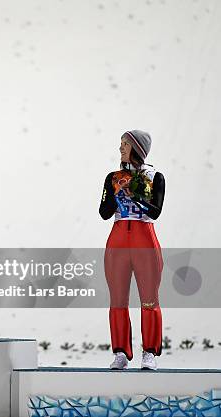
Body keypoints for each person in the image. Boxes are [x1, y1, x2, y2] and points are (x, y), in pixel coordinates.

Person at [99, 130, 165, 370]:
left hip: (144, 239)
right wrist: (115, 195)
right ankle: (120, 353)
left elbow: (155, 211)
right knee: (117, 300)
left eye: (125, 144)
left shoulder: (155, 176)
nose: (120, 148)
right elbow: (104, 213)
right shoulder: (113, 177)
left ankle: (150, 353)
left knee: (149, 300)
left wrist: (134, 196)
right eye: (120, 144)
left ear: (137, 147)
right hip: (117, 240)